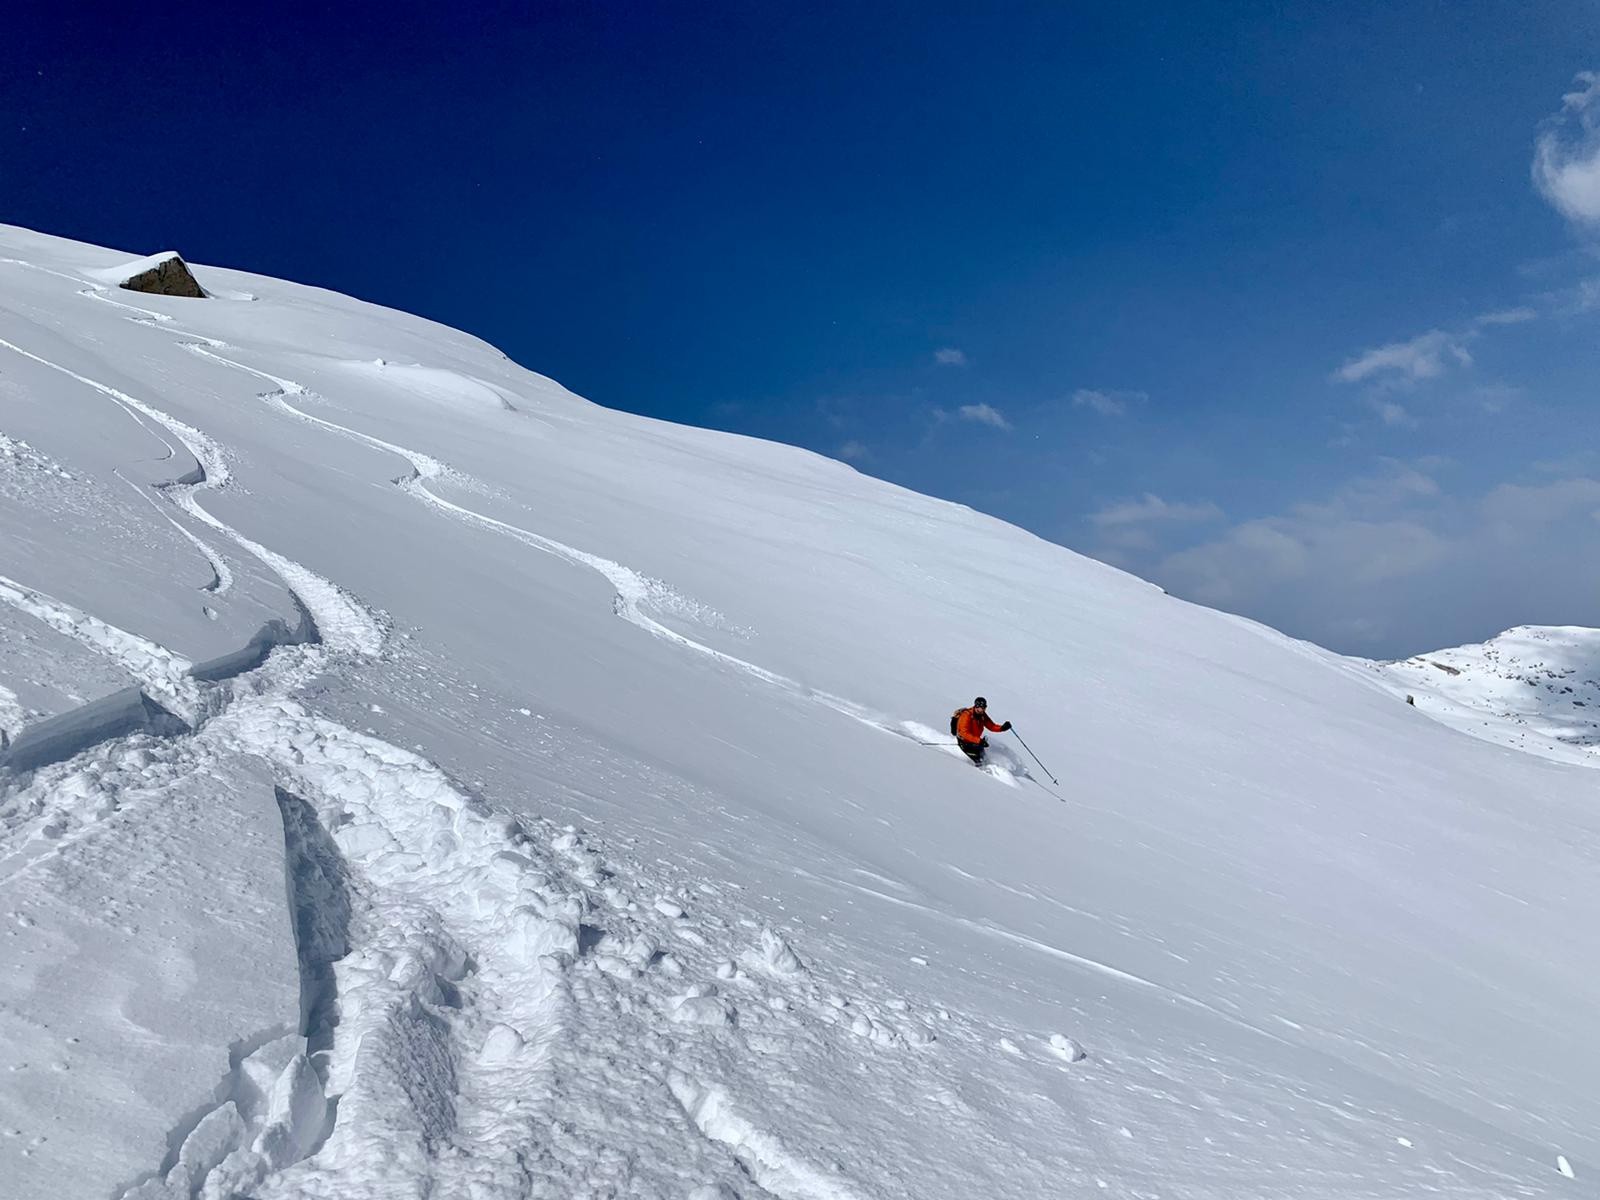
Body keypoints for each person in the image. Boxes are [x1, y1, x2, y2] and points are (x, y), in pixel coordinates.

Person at [950, 696, 1010, 764]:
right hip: (964, 742)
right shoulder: (966, 716)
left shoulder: (982, 715)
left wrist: (1002, 728)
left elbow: (991, 726)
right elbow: (963, 733)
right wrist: (979, 741)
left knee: (985, 760)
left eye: (984, 708)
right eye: (982, 708)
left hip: (976, 742)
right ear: (976, 706)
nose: (983, 710)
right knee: (979, 761)